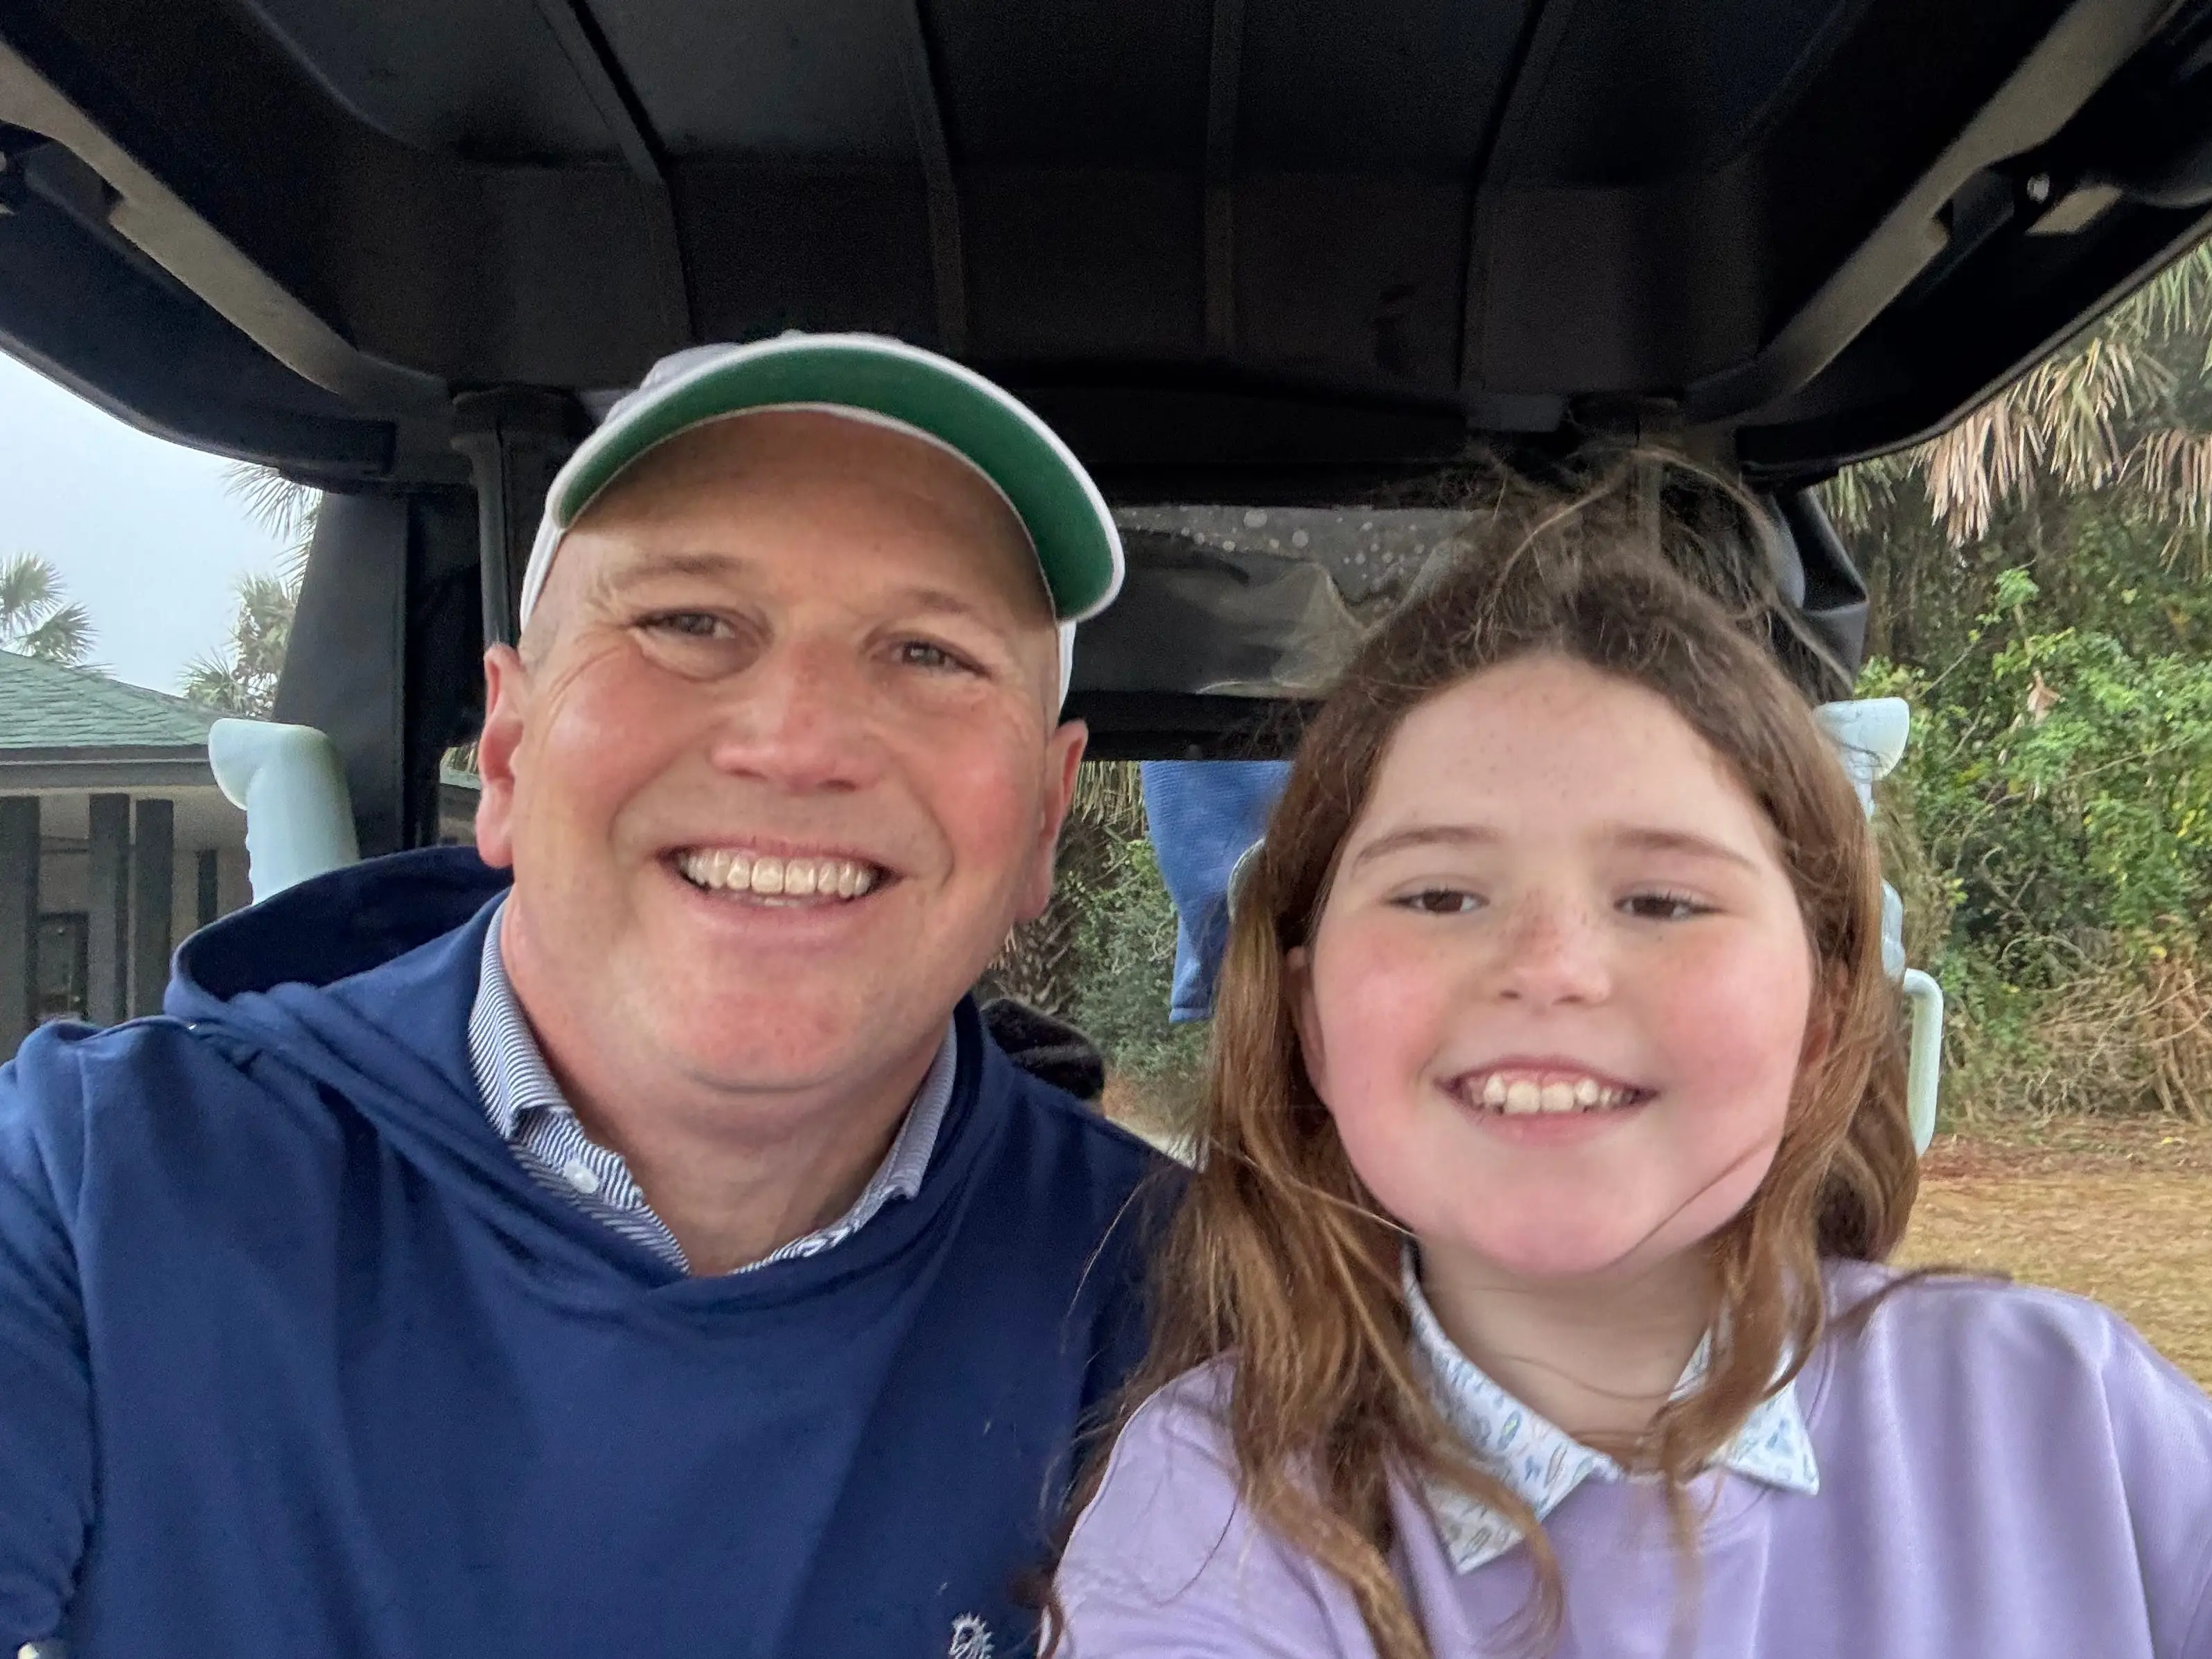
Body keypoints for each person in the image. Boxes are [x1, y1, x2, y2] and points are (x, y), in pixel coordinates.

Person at [0, 333, 1168, 1659]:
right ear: (505, 751)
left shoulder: (1185, 1302)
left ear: (1043, 823)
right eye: (689, 622)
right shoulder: (97, 1191)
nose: (796, 741)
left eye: (930, 653)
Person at [1053, 474, 2212, 1658]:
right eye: (1440, 893)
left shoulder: (2078, 1418)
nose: (1551, 968)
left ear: (1824, 1016)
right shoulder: (1206, 1514)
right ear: (1307, 1017)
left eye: (1663, 898)